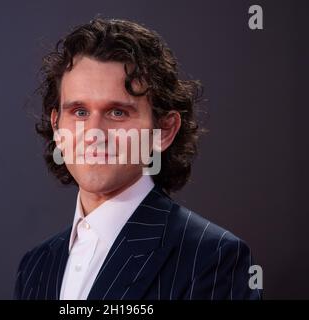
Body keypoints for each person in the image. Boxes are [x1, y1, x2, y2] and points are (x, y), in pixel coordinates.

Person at [14, 18, 261, 300]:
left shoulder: (212, 258)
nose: (94, 133)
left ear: (164, 130)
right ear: (57, 127)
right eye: (79, 112)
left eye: (117, 112)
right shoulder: (35, 267)